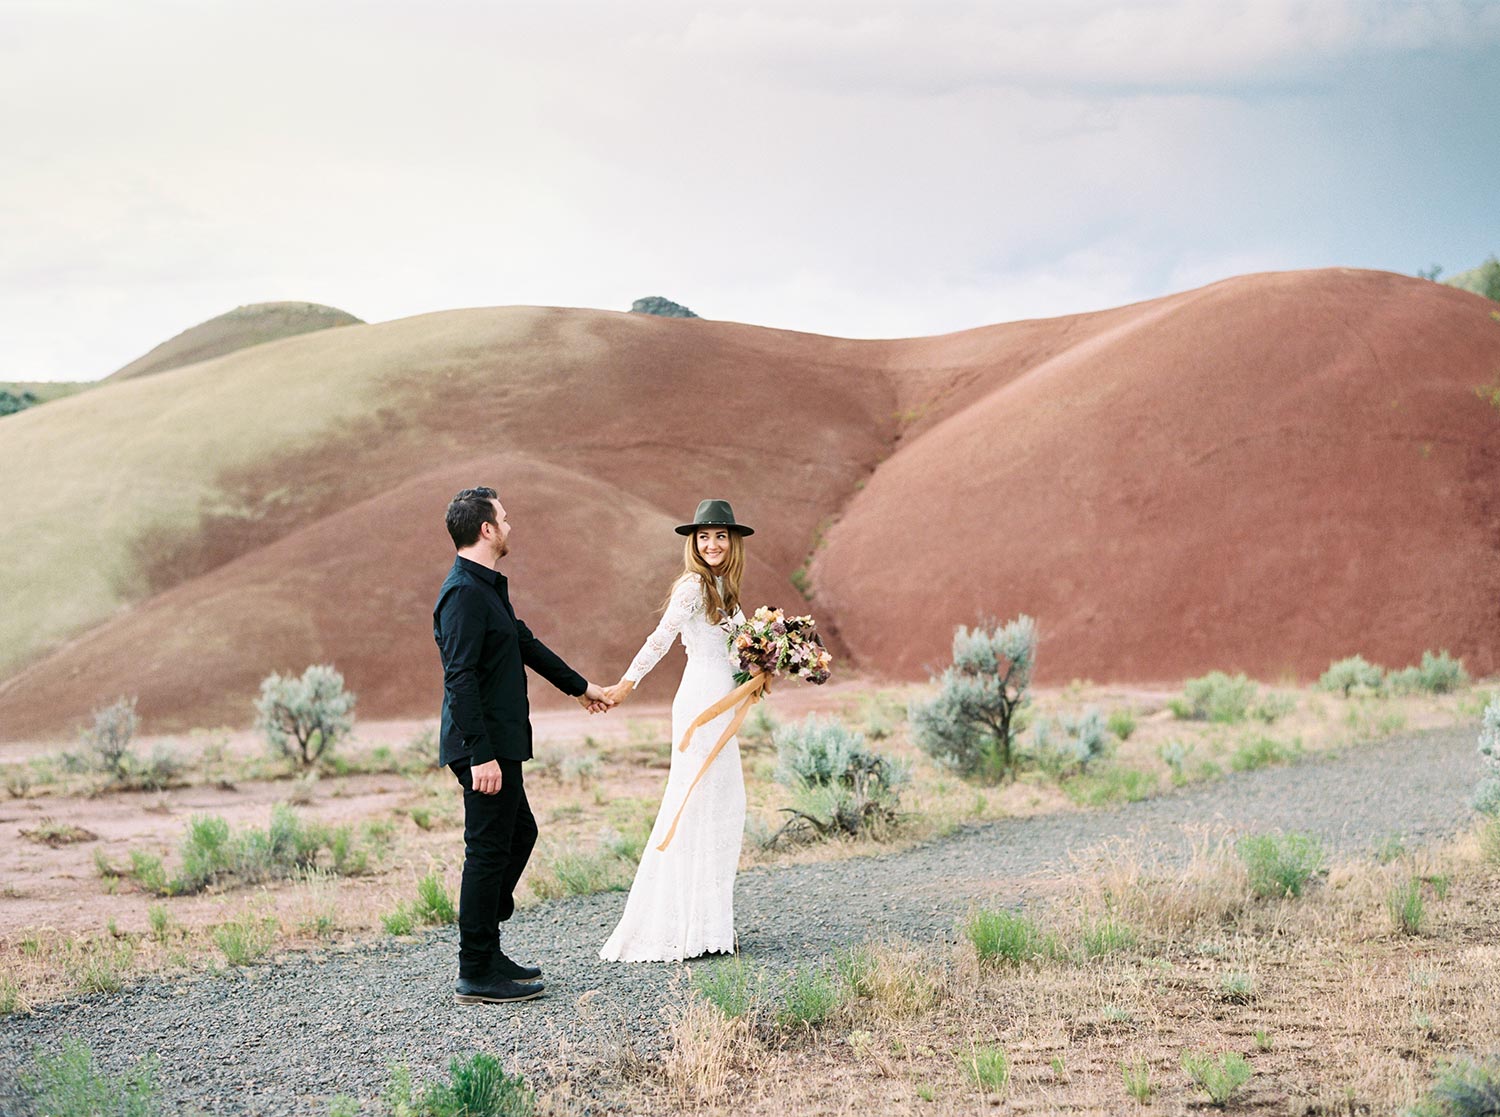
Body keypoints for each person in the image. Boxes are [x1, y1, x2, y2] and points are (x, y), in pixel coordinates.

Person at [433, 486, 612, 1004]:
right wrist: (480, 753)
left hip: (498, 741)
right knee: (487, 852)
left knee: (519, 835)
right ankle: (475, 968)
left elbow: (525, 643)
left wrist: (583, 689)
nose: (510, 526)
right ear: (486, 529)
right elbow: (459, 677)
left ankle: (488, 944)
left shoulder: (486, 587)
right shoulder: (464, 593)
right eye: (504, 519)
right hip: (482, 746)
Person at [599, 498, 753, 962]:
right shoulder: (692, 587)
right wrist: (625, 686)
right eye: (703, 537)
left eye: (720, 536)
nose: (711, 544)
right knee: (696, 805)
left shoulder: (724, 587)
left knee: (721, 807)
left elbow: (741, 650)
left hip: (722, 703)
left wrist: (769, 661)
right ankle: (681, 927)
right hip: (700, 704)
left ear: (733, 542)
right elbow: (660, 639)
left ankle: (708, 926)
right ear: (693, 543)